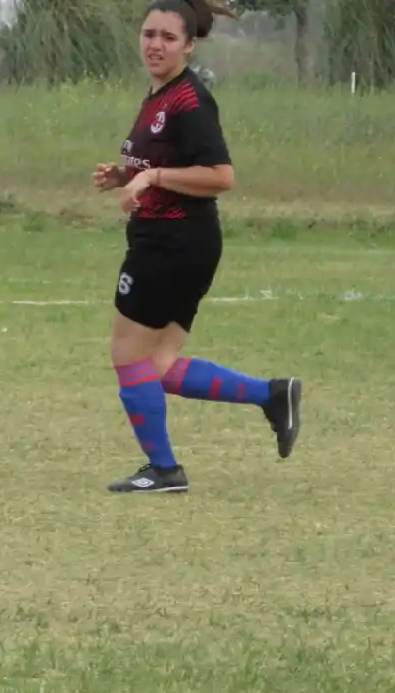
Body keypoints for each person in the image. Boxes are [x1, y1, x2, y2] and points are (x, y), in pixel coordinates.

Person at [92, 0, 302, 494]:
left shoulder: (190, 100)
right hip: (181, 243)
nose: (155, 44)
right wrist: (127, 175)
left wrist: (155, 176)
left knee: (128, 356)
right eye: (149, 34)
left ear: (189, 44)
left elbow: (220, 176)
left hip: (170, 244)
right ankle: (272, 395)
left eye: (167, 37)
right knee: (158, 366)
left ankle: (164, 470)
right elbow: (164, 164)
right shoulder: (158, 96)